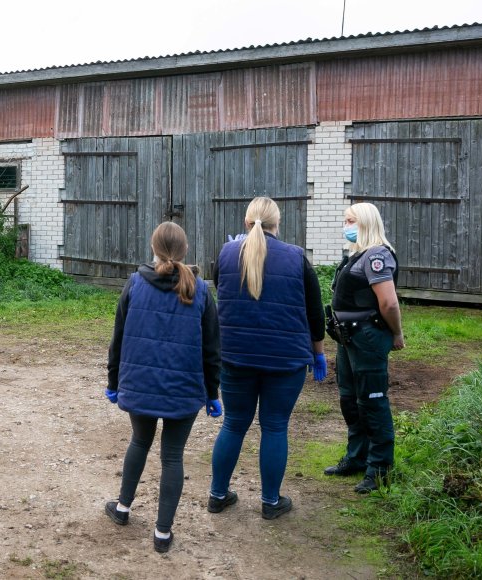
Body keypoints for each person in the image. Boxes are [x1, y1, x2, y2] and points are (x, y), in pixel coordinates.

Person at [103, 222, 222, 554]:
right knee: (172, 456)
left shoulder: (135, 284)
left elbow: (118, 340)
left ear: (152, 248)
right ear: (184, 250)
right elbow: (213, 349)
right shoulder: (200, 289)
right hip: (185, 390)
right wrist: (213, 393)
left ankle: (123, 508)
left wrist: (114, 383)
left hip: (139, 386)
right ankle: (163, 533)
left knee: (139, 441)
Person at [208, 196, 326, 520]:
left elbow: (221, 288)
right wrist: (319, 354)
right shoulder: (297, 258)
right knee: (275, 427)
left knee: (233, 424)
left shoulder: (226, 253)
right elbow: (315, 314)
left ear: (246, 223)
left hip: (234, 355)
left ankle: (218, 495)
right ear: (278, 224)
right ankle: (270, 502)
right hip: (285, 361)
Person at [324, 202, 404, 494]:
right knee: (350, 399)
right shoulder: (356, 255)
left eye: (350, 220)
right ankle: (357, 458)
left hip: (368, 337)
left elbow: (389, 302)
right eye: (345, 220)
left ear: (366, 223)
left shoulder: (378, 256)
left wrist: (397, 333)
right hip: (347, 339)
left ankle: (380, 468)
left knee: (372, 401)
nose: (346, 225)